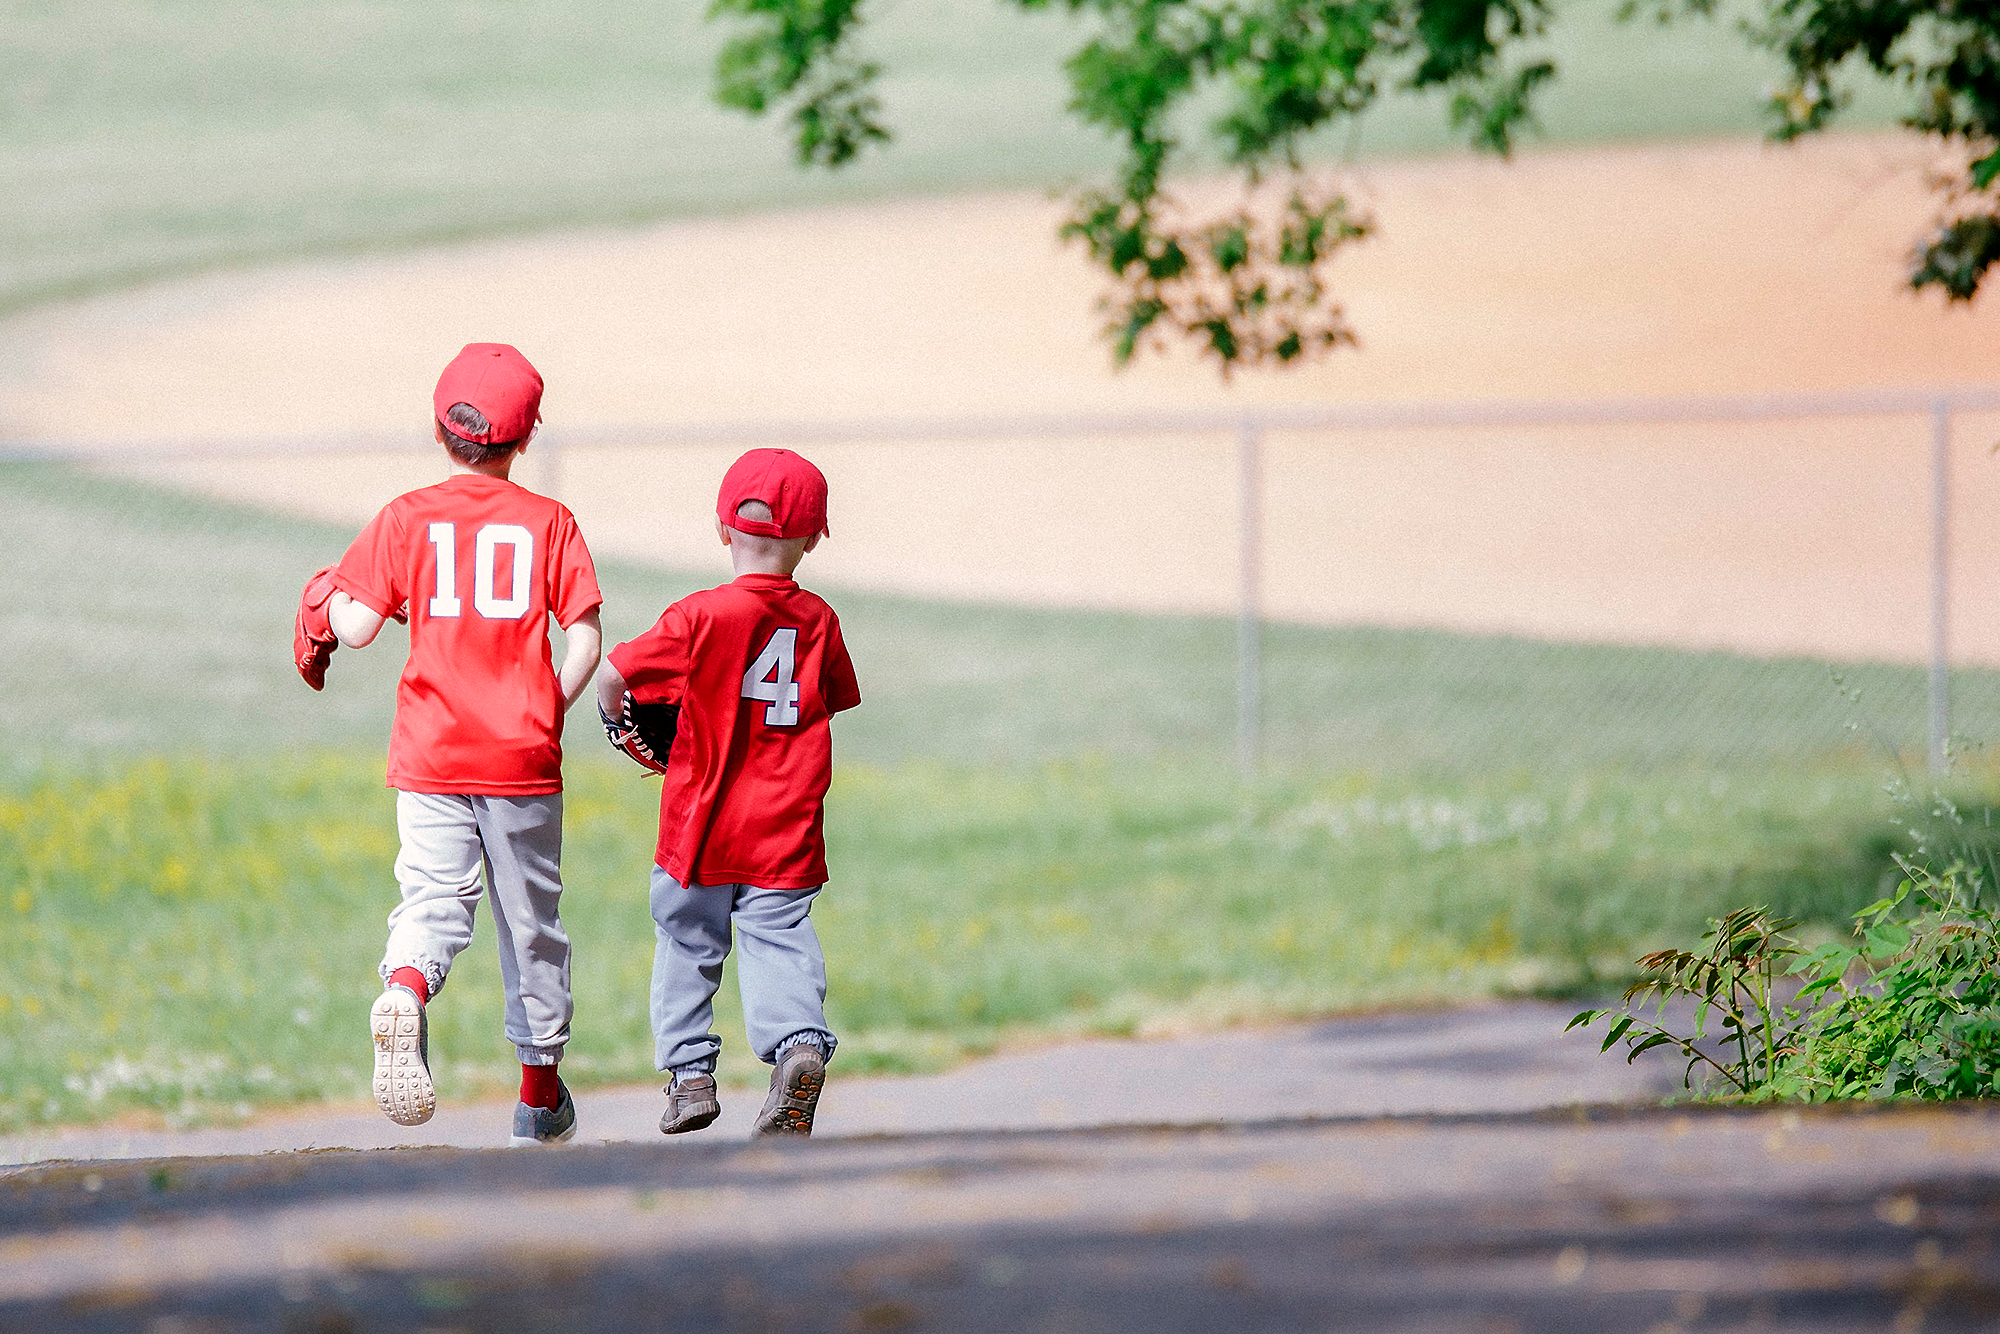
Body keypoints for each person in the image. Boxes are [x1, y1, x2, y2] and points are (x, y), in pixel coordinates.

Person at [294, 342, 603, 1146]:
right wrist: (550, 704)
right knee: (530, 922)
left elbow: (357, 628)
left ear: (441, 429)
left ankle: (404, 990)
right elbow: (586, 640)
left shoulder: (408, 515)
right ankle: (539, 1097)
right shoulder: (550, 521)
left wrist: (325, 600)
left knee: (433, 898)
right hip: (520, 758)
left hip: (431, 754)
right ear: (526, 437)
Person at [597, 447, 860, 1137]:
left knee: (687, 943)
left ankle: (689, 1078)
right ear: (812, 538)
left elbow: (616, 673)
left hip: (698, 828)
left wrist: (620, 726)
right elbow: (830, 700)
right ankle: (799, 1044)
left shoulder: (697, 616)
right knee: (779, 940)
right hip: (784, 827)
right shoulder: (820, 621)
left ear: (722, 530)